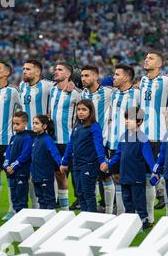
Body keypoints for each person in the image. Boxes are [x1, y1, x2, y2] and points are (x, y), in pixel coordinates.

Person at [140, 50, 168, 213]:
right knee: (146, 177)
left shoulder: (165, 80)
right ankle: (149, 218)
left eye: (150, 58)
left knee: (164, 175)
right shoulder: (142, 80)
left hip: (159, 136)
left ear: (159, 64)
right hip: (142, 136)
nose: (146, 60)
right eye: (146, 57)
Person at [106, 107, 156, 231]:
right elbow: (118, 154)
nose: (127, 121)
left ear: (139, 122)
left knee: (139, 201)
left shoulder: (143, 138)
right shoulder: (123, 136)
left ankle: (143, 221)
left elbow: (149, 157)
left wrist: (155, 171)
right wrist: (109, 165)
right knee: (127, 201)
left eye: (131, 119)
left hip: (137, 177)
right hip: (125, 176)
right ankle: (130, 222)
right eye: (126, 118)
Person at [0, 61, 22, 221]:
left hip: (8, 141)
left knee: (10, 174)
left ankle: (12, 209)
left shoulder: (13, 91)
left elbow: (23, 110)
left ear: (7, 73)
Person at [19, 59, 55, 211]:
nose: (24, 71)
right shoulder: (21, 86)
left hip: (41, 133)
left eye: (28, 69)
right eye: (24, 69)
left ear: (37, 72)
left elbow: (62, 88)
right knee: (26, 172)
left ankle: (48, 205)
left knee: (43, 171)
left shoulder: (47, 85)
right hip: (25, 133)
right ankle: (31, 207)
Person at [60, 100, 107, 212]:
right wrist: (64, 162)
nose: (80, 112)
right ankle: (83, 216)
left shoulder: (94, 126)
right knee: (79, 193)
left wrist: (102, 161)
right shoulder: (77, 126)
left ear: (90, 112)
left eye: (84, 110)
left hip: (89, 165)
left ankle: (91, 218)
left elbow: (98, 145)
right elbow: (70, 145)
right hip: (76, 165)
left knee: (88, 193)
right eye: (79, 110)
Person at [81, 65, 115, 213]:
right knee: (90, 177)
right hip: (86, 142)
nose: (83, 78)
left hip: (103, 141)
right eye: (82, 76)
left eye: (87, 75)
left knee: (106, 176)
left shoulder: (108, 92)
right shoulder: (82, 93)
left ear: (96, 77)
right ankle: (93, 209)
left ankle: (109, 209)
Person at [108, 64, 141, 217]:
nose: (113, 77)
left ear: (127, 77)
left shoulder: (137, 94)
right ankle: (122, 213)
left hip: (131, 142)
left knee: (135, 180)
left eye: (117, 75)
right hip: (114, 142)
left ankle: (144, 215)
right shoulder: (114, 94)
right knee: (116, 177)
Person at [49, 62, 83, 211]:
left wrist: (75, 86)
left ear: (68, 74)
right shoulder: (51, 90)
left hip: (69, 140)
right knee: (58, 173)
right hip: (54, 140)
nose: (56, 71)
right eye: (55, 69)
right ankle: (63, 208)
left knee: (76, 174)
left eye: (60, 70)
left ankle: (81, 201)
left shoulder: (76, 93)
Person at [3, 111, 33, 213]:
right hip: (10, 172)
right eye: (13, 124)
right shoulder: (13, 137)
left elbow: (25, 155)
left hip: (21, 172)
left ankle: (23, 216)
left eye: (17, 124)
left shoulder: (27, 138)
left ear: (25, 123)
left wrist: (13, 167)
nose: (15, 126)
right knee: (14, 196)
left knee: (22, 196)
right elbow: (7, 153)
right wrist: (6, 165)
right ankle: (16, 215)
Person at [30, 114, 62, 209]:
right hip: (36, 175)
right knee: (40, 199)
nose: (34, 125)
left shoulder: (47, 139)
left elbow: (55, 153)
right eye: (33, 123)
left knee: (49, 199)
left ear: (44, 126)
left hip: (45, 175)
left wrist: (61, 164)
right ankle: (43, 220)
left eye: (37, 123)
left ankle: (51, 220)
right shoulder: (35, 139)